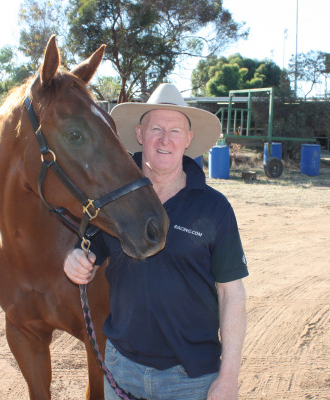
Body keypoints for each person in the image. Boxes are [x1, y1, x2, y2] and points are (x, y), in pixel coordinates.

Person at [64, 83, 248, 400]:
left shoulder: (215, 208)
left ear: (188, 139)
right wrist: (75, 258)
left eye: (175, 131)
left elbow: (231, 294)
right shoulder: (114, 200)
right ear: (140, 134)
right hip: (121, 370)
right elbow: (89, 250)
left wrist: (229, 377)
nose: (165, 139)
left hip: (191, 380)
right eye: (156, 129)